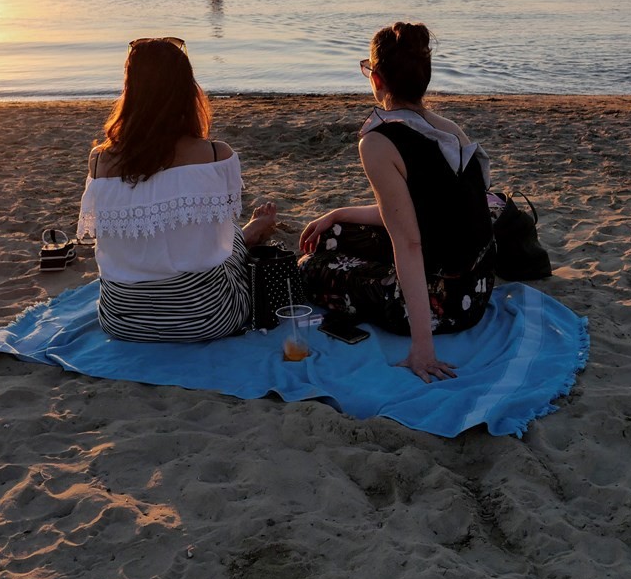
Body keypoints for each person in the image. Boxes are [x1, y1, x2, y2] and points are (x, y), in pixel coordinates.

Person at [298, 22, 496, 382]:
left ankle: (416, 327)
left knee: (310, 266)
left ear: (376, 79)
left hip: (446, 302)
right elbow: (422, 213)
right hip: (478, 285)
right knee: (332, 234)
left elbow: (408, 242)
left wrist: (423, 348)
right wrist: (338, 213)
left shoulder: (377, 142)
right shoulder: (448, 128)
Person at [76, 36, 276, 341]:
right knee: (231, 238)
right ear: (186, 90)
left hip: (121, 320)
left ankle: (248, 233)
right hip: (207, 318)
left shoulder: (99, 161)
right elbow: (215, 240)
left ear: (130, 91)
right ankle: (251, 233)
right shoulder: (215, 155)